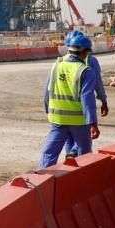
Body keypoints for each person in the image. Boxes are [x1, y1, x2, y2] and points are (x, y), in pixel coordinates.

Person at [39, 34, 99, 169]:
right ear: (84, 52)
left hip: (57, 119)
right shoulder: (86, 71)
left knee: (49, 153)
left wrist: (48, 111)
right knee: (84, 154)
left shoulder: (56, 66)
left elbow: (47, 92)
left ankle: (41, 179)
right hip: (78, 121)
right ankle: (82, 180)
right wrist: (93, 123)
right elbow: (87, 99)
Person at [62, 30, 109, 157]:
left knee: (69, 137)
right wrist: (103, 101)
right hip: (80, 108)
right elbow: (97, 84)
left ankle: (71, 157)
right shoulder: (91, 60)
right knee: (84, 138)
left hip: (63, 108)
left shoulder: (61, 62)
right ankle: (75, 155)